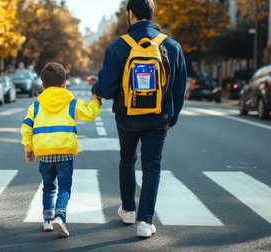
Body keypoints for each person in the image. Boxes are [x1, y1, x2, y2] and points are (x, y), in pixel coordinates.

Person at [91, 0, 187, 238]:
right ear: (151, 14)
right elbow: (179, 87)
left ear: (131, 15)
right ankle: (145, 222)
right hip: (159, 116)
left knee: (127, 160)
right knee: (152, 166)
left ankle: (128, 210)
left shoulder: (118, 47)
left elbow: (106, 87)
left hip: (127, 117)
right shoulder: (172, 46)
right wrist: (172, 116)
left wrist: (96, 91)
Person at [20, 62, 101, 238]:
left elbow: (26, 128)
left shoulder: (35, 106)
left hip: (44, 155)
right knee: (64, 188)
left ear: (42, 85)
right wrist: (95, 101)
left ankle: (48, 220)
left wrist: (29, 149)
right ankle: (60, 216)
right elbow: (90, 114)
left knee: (48, 187)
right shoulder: (72, 103)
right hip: (65, 153)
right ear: (64, 83)